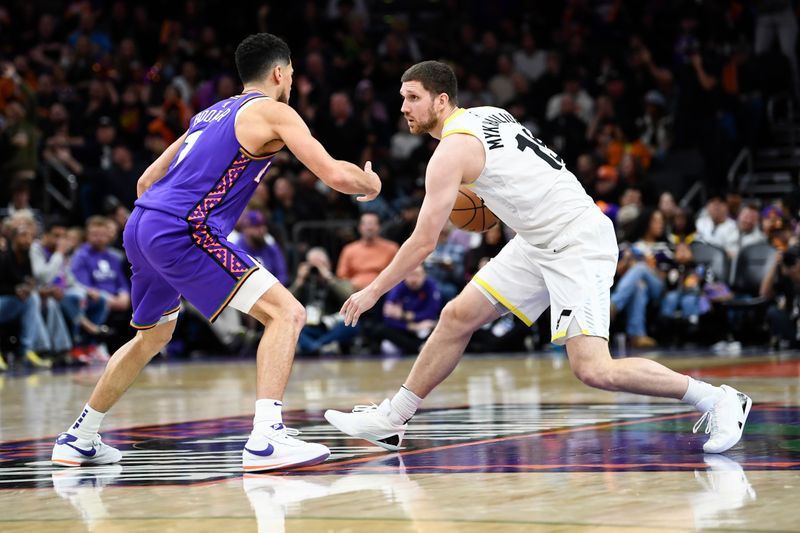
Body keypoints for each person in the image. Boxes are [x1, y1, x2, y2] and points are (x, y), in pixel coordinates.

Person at [325, 60, 750, 455]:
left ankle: (719, 399)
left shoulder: (449, 152)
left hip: (575, 240)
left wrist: (373, 290)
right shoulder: (490, 113)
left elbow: (423, 241)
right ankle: (393, 419)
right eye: (401, 98)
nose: (404, 107)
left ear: (442, 100)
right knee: (457, 317)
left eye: (413, 97)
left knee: (593, 369)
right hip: (538, 238)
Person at [51, 33, 380, 471]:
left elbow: (146, 181)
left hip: (141, 225)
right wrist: (370, 185)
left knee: (152, 336)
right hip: (182, 229)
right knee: (288, 314)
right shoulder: (275, 112)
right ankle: (266, 439)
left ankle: (81, 436)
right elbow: (335, 174)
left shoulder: (207, 114)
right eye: (292, 75)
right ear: (280, 73)